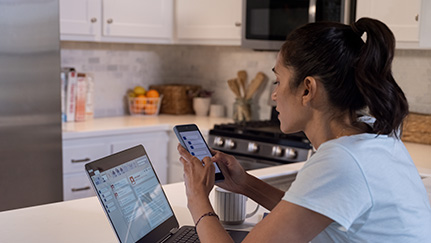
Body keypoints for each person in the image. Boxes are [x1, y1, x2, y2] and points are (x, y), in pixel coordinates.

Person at [177, 17, 431, 242]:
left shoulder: (341, 161)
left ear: (308, 89)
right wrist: (245, 184)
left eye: (278, 81)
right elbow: (307, 213)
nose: (274, 95)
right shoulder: (373, 134)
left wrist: (198, 200)